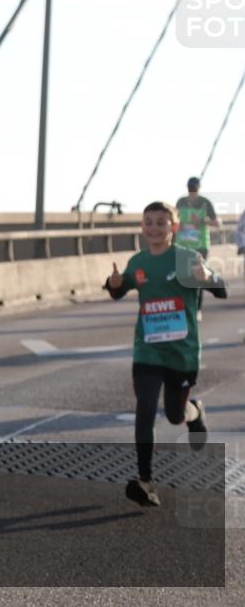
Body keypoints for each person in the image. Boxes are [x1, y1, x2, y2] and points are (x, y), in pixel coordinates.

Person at [105, 201, 228, 507]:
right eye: (148, 222)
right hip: (147, 351)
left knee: (175, 415)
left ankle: (195, 412)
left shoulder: (186, 259)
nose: (154, 228)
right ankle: (145, 481)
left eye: (161, 222)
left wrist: (207, 278)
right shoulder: (138, 261)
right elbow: (119, 291)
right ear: (142, 227)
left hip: (181, 354)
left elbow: (221, 289)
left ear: (173, 228)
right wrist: (114, 284)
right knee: (145, 410)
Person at [175, 176, 222, 318]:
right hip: (182, 245)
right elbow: (172, 219)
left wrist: (202, 220)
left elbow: (218, 223)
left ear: (199, 188)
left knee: (198, 276)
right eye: (190, 188)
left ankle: (197, 309)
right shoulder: (181, 201)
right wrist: (178, 225)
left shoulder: (205, 203)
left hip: (200, 245)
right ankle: (183, 307)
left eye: (194, 188)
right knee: (181, 277)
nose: (192, 190)